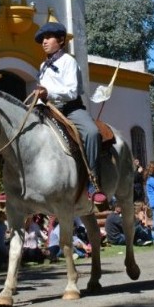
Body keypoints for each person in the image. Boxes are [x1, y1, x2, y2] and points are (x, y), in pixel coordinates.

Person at [34, 21, 106, 206]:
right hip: (48, 109)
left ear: (60, 40)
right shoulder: (43, 65)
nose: (44, 42)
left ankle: (94, 183)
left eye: (48, 37)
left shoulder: (69, 61)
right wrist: (39, 98)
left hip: (71, 108)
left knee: (92, 133)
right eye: (42, 38)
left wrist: (48, 93)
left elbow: (73, 91)